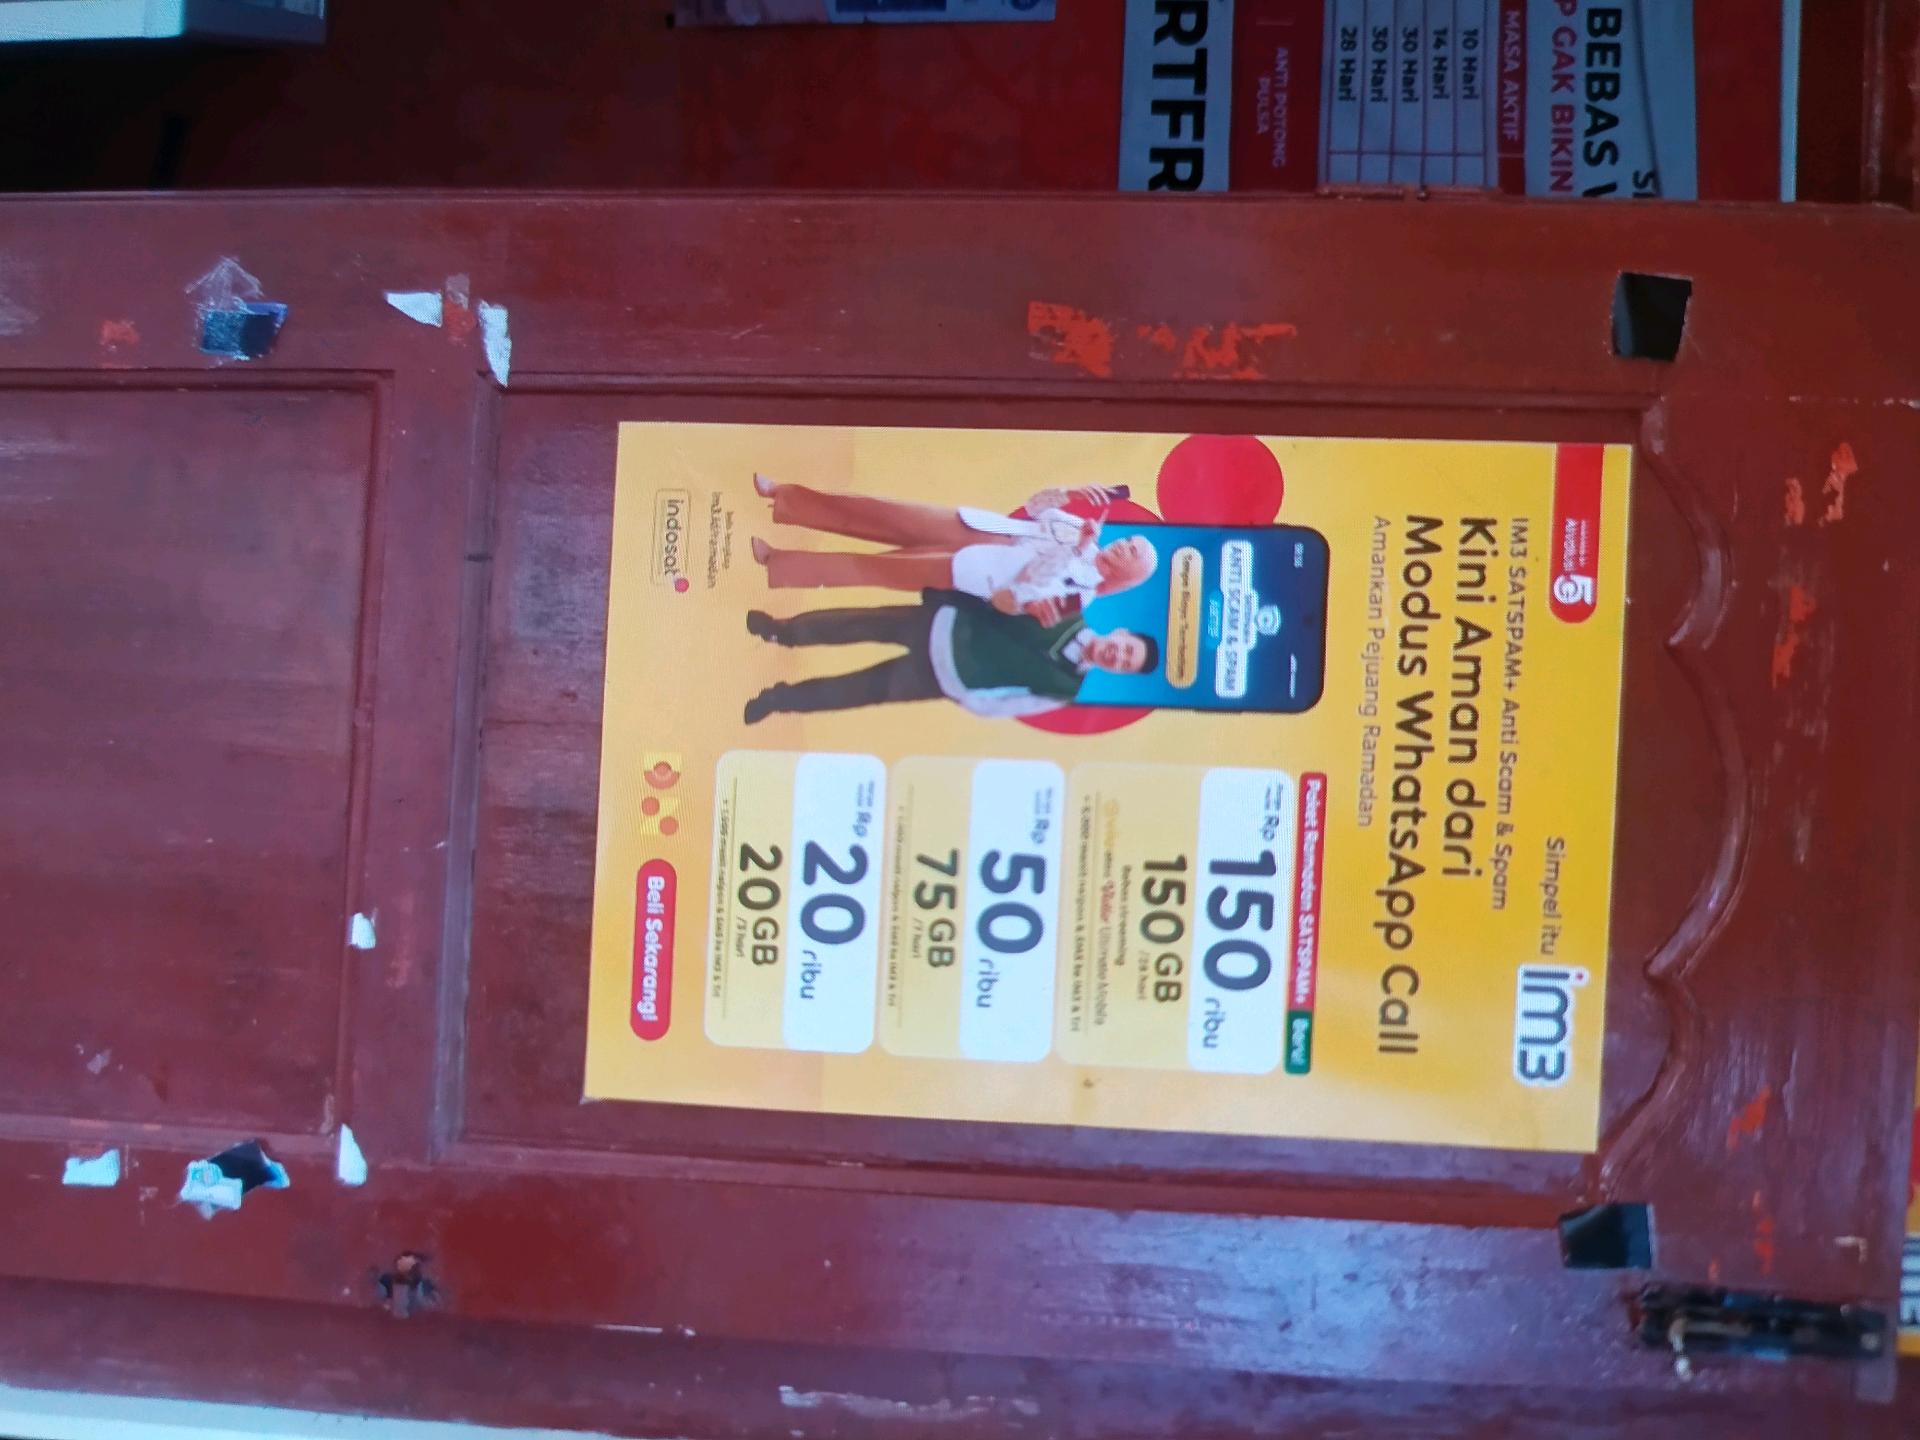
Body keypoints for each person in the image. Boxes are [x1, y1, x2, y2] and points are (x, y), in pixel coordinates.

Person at [747, 475, 1155, 621]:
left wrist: (1073, 552)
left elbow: (1018, 599)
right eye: (1130, 541)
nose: (1124, 546)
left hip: (972, 570)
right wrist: (1069, 494)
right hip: (973, 526)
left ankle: (778, 563)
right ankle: (785, 497)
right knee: (878, 511)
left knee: (870, 568)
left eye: (1133, 553)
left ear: (1130, 574)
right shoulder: (1083, 528)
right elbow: (1033, 508)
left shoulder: (1081, 598)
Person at [741, 590, 1160, 724]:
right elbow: (1011, 592)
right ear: (1120, 633)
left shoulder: (1066, 688)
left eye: (1124, 663)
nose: (1118, 655)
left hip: (948, 676)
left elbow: (1011, 705)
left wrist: (964, 694)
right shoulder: (1069, 608)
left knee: (858, 690)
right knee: (858, 623)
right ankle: (781, 630)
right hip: (946, 623)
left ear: (1117, 672)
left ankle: (778, 701)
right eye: (1126, 648)